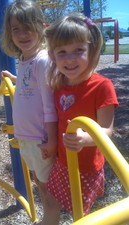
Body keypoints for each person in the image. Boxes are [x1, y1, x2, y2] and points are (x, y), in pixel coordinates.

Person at [38, 13, 119, 225]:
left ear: (91, 50)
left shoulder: (101, 86)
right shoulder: (59, 83)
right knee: (50, 202)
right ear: (53, 56)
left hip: (86, 167)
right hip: (63, 161)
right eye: (62, 52)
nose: (70, 58)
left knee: (79, 215)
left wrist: (86, 138)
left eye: (78, 50)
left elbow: (107, 130)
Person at [0, 1, 57, 224]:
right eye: (16, 29)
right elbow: (30, 86)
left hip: (40, 138)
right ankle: (48, 218)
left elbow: (49, 104)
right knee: (39, 182)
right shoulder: (24, 60)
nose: (22, 34)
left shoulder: (42, 60)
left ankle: (50, 221)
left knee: (47, 187)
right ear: (10, 33)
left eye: (28, 27)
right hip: (27, 136)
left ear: (41, 27)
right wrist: (15, 80)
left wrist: (51, 140)